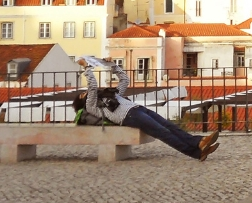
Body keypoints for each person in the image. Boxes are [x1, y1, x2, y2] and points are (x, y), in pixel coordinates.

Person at [74, 56, 220, 162]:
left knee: (169, 126)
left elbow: (125, 80)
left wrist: (112, 65)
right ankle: (195, 151)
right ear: (82, 101)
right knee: (163, 132)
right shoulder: (91, 106)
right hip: (129, 117)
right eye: (82, 95)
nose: (85, 93)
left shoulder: (109, 95)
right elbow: (92, 86)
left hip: (138, 109)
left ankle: (199, 144)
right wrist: (86, 66)